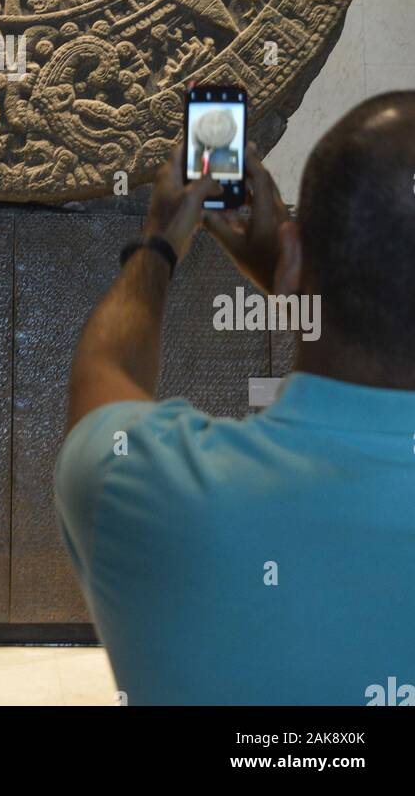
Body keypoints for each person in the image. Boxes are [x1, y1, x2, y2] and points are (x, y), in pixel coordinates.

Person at [54, 92, 415, 705]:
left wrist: (160, 243)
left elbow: (104, 370)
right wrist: (299, 282)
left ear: (297, 254)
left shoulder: (144, 482)